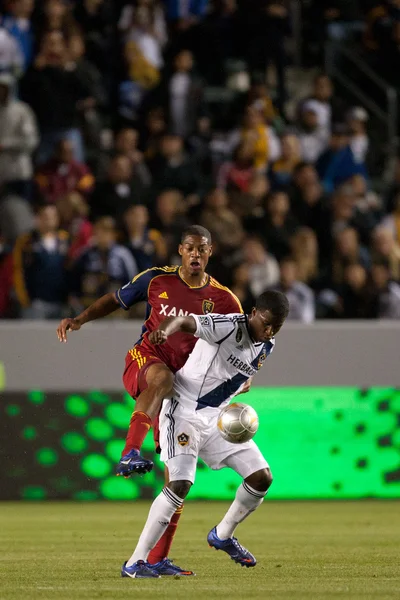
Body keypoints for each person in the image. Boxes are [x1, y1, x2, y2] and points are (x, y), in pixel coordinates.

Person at [56, 225, 244, 576]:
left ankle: (155, 559)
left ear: (210, 252)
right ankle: (129, 452)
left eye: (202, 249)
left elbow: (240, 344)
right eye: (190, 248)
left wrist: (242, 379)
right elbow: (116, 299)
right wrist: (80, 320)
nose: (195, 255)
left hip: (182, 394)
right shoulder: (156, 280)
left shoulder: (224, 300)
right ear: (180, 250)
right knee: (161, 377)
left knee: (178, 481)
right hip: (145, 363)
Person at [121, 290, 289, 578]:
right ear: (253, 312)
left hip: (216, 421)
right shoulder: (228, 326)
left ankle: (223, 535)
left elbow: (241, 368)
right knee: (180, 484)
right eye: (266, 323)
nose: (269, 330)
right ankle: (135, 562)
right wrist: (164, 329)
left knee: (262, 478)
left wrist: (243, 381)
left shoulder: (267, 343)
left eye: (276, 327)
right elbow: (185, 321)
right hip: (182, 411)